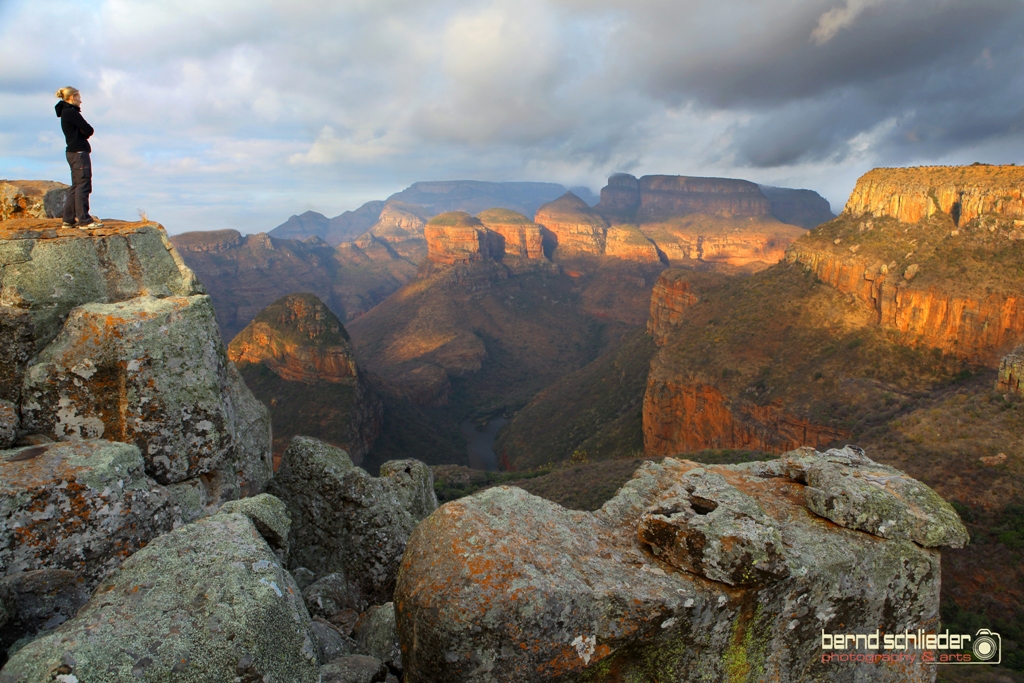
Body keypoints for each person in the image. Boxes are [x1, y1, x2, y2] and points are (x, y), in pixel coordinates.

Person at [54, 87, 102, 229]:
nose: (81, 100)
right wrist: (84, 133)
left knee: (76, 185)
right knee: (83, 184)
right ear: (72, 97)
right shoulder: (71, 112)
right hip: (79, 153)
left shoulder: (65, 112)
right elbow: (88, 129)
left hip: (72, 152)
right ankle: (84, 220)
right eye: (79, 97)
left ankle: (68, 219)